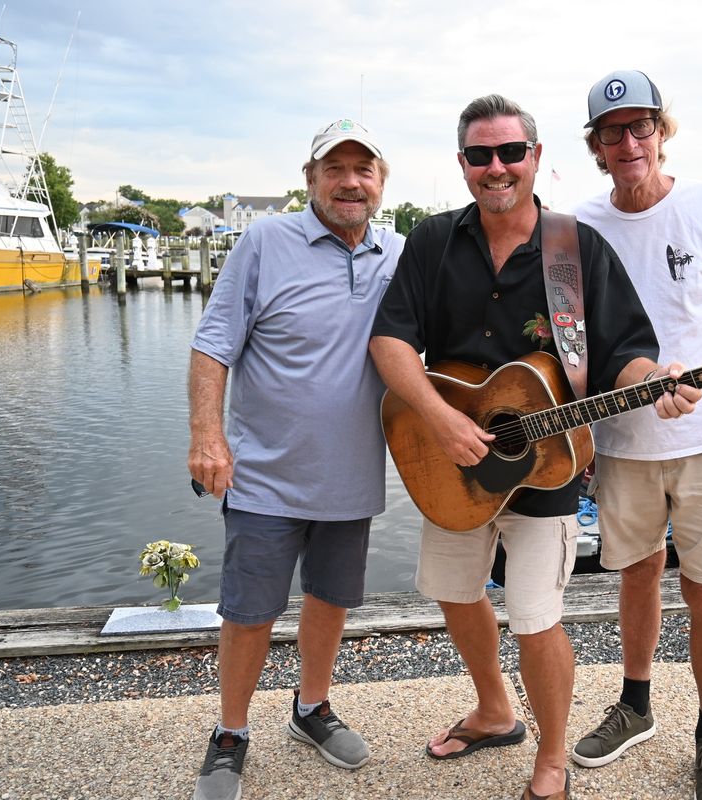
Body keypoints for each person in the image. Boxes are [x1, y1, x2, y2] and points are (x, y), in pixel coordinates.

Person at [369, 94, 702, 800]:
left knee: (535, 616)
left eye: (511, 152)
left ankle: (551, 759)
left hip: (545, 467)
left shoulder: (573, 249)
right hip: (447, 456)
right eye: (481, 155)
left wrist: (661, 380)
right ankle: (495, 710)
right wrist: (439, 418)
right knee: (455, 594)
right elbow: (390, 340)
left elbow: (627, 356)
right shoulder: (431, 241)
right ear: (463, 165)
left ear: (536, 157)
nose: (498, 167)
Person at [568, 71, 702, 800]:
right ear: (595, 146)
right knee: (634, 577)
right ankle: (636, 703)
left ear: (662, 130)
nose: (629, 143)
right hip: (623, 444)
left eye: (641, 127)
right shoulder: (578, 226)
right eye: (612, 132)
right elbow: (574, 345)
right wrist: (599, 416)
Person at [187, 119, 403, 800]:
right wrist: (206, 436)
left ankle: (311, 709)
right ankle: (231, 732)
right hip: (263, 475)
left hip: (353, 476)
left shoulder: (398, 254)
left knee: (331, 599)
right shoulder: (263, 241)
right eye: (333, 168)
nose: (349, 181)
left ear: (380, 181)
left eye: (363, 168)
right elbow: (214, 343)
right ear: (309, 178)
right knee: (249, 610)